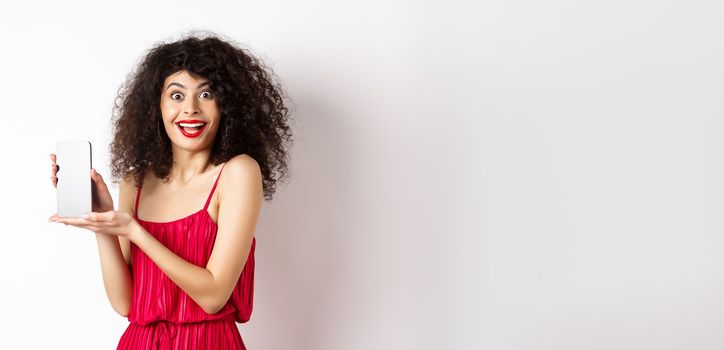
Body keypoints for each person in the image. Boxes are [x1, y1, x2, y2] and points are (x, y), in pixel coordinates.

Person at [48, 32, 293, 349]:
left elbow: (214, 296)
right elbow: (125, 304)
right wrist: (103, 223)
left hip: (208, 342)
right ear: (157, 106)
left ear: (226, 105)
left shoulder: (238, 173)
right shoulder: (135, 182)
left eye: (206, 95)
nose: (190, 109)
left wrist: (136, 232)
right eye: (177, 96)